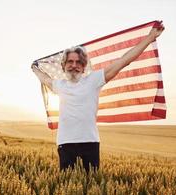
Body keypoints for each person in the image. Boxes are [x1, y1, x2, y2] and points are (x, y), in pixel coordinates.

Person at [32, 21, 165, 172]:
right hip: (65, 143)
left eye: (78, 62)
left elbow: (124, 61)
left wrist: (150, 37)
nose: (74, 65)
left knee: (91, 188)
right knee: (68, 189)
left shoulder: (93, 80)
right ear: (64, 66)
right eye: (70, 62)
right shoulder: (59, 85)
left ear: (83, 66)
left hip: (90, 143)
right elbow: (45, 79)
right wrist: (35, 68)